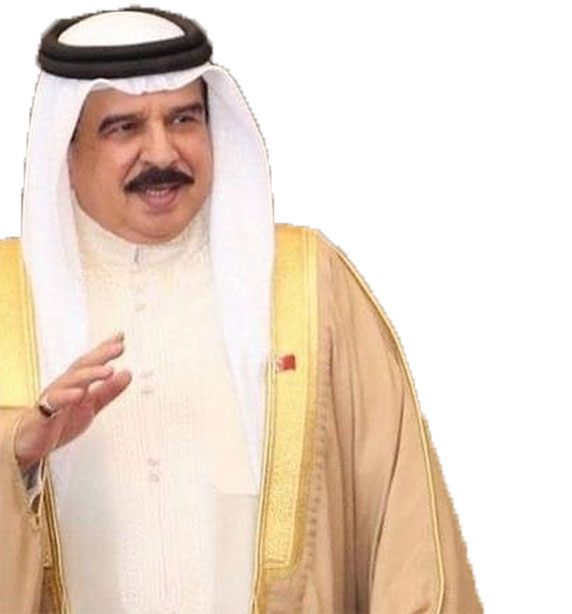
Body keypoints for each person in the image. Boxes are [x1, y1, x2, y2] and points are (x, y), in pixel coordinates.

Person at [0, 7, 481, 613]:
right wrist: (17, 453)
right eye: (124, 128)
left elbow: (406, 529)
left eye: (184, 119)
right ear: (66, 153)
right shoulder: (8, 305)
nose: (162, 151)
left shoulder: (306, 287)